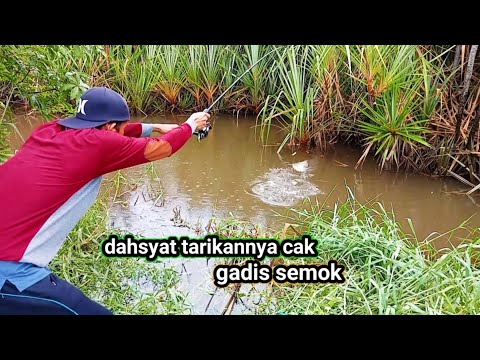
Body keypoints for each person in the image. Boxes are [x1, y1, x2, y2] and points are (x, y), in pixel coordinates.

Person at [0, 86, 210, 315]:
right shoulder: (99, 145)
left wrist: (156, 127)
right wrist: (190, 125)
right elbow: (163, 147)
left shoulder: (50, 131)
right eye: (118, 127)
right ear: (109, 127)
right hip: (11, 271)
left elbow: (111, 133)